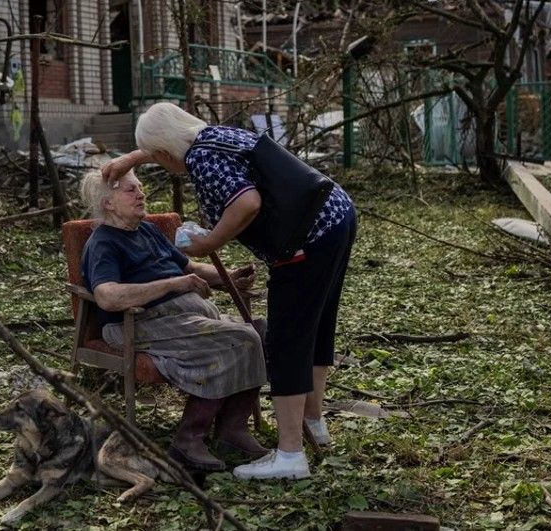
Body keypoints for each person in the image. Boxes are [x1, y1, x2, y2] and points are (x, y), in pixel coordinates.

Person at [101, 102, 357, 480]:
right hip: (334, 216)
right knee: (316, 330)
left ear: (165, 152)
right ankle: (312, 422)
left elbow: (247, 203)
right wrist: (134, 157)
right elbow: (169, 145)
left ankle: (290, 455)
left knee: (287, 340)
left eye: (155, 160)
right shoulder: (214, 137)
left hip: (305, 239)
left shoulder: (201, 160)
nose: (144, 186)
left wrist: (210, 242)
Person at [78, 169, 268, 472]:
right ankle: (188, 440)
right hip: (139, 322)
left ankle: (232, 430)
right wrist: (172, 285)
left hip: (184, 316)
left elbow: (187, 265)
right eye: (130, 190)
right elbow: (107, 296)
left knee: (259, 329)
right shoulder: (104, 243)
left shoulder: (148, 230)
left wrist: (228, 277)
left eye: (140, 187)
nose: (141, 194)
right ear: (108, 203)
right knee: (239, 338)